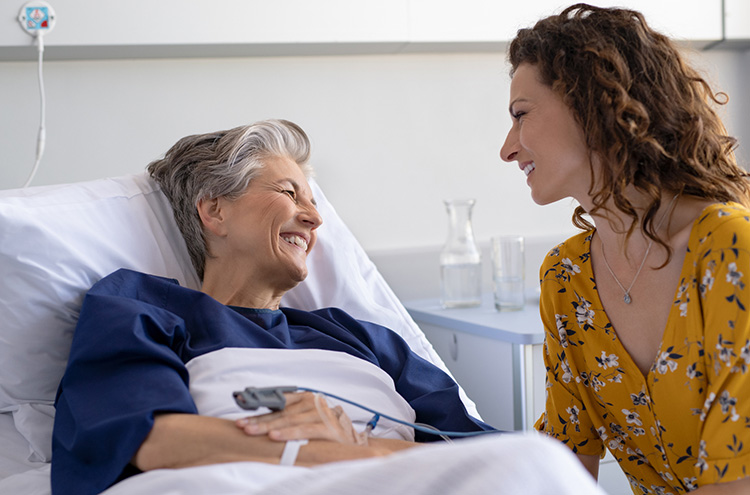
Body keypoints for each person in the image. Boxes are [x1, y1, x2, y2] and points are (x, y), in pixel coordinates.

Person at [50, 119, 606, 495]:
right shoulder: (142, 307)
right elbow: (147, 439)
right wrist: (322, 453)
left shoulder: (360, 338)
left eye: (314, 202)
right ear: (214, 211)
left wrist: (359, 444)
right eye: (290, 194)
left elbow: (476, 447)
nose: (315, 219)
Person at [500, 3, 750, 494]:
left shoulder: (729, 247)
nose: (507, 147)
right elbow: (563, 470)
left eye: (521, 115)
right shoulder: (567, 278)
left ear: (591, 103)